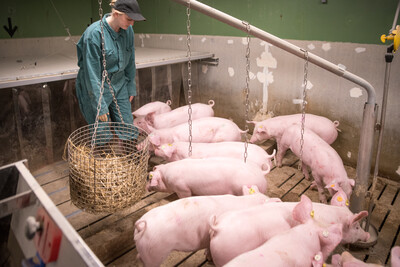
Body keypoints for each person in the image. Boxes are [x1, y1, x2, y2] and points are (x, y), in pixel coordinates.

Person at [75, 0, 145, 127]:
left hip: (119, 82)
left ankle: (126, 144)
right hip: (97, 85)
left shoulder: (128, 31)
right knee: (101, 131)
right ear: (117, 14)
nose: (132, 24)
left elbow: (130, 61)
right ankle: (102, 144)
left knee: (127, 126)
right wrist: (99, 105)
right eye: (129, 19)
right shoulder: (94, 35)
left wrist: (130, 87)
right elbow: (92, 74)